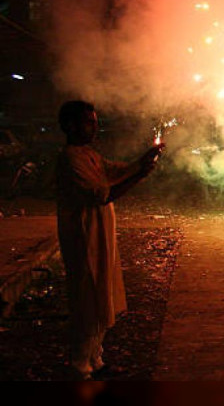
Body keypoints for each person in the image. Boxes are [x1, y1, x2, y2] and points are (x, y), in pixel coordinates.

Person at [55, 100, 164, 379]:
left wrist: (143, 161)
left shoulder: (88, 155)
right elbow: (100, 194)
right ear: (70, 125)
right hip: (83, 238)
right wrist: (137, 174)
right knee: (87, 298)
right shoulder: (69, 159)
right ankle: (80, 365)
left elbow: (115, 171)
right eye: (88, 122)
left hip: (100, 235)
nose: (94, 127)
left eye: (94, 121)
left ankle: (96, 358)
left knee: (102, 293)